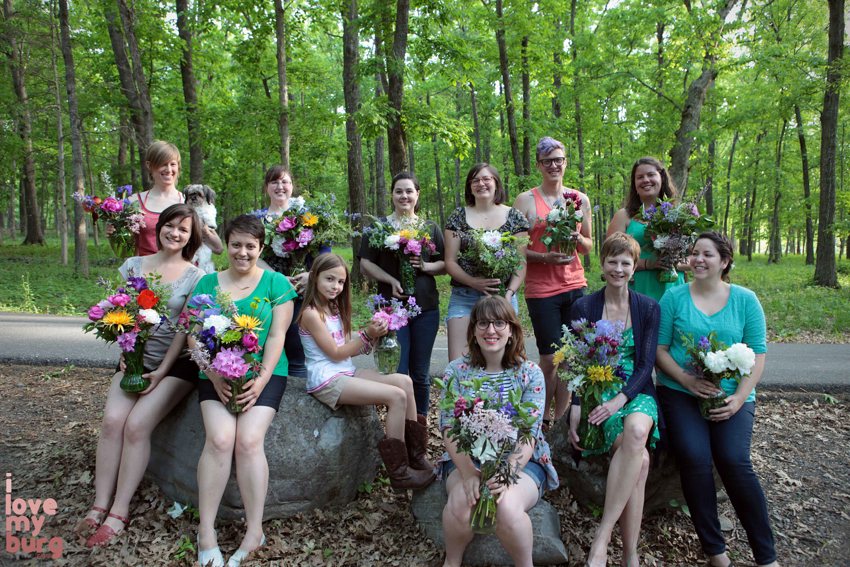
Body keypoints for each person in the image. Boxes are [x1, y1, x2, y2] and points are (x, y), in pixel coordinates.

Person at [76, 204, 205, 547]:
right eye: (170, 225)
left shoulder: (196, 276)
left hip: (174, 366)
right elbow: (120, 312)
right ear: (159, 227)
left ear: (191, 237)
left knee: (135, 426)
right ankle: (98, 505)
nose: (175, 233)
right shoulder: (133, 266)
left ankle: (118, 512)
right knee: (112, 422)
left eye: (183, 229)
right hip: (133, 359)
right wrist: (125, 352)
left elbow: (185, 329)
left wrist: (161, 372)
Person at [655, 231, 778, 567]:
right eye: (694, 253)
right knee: (694, 456)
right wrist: (686, 379)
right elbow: (660, 350)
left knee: (733, 460)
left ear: (724, 262)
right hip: (680, 392)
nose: (698, 259)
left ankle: (766, 556)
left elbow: (758, 355)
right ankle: (715, 551)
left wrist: (739, 399)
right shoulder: (674, 297)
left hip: (732, 395)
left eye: (707, 254)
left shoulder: (746, 300)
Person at [191, 215, 297, 567]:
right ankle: (206, 532)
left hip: (264, 374)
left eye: (250, 246)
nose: (242, 252)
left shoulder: (276, 283)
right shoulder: (208, 283)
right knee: (220, 439)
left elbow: (278, 336)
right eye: (236, 244)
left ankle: (254, 532)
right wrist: (212, 375)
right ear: (226, 245)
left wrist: (261, 381)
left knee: (249, 441)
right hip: (216, 374)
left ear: (261, 248)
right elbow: (193, 335)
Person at [438, 296, 558, 567]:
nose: (491, 330)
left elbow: (529, 432)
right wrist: (468, 473)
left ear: (512, 329)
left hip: (521, 461)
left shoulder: (530, 373)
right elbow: (448, 426)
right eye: (482, 323)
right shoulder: (457, 371)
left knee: (506, 506)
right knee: (461, 502)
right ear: (473, 330)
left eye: (499, 323)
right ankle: (452, 563)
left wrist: (507, 473)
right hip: (467, 457)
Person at [297, 254, 435, 491]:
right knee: (396, 396)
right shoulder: (311, 314)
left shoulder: (334, 308)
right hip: (327, 380)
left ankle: (417, 455)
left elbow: (346, 348)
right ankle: (400, 473)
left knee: (405, 382)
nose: (336, 286)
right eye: (330, 279)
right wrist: (367, 334)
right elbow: (335, 353)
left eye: (341, 282)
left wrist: (372, 340)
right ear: (314, 277)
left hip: (345, 372)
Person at [567, 233, 662, 567]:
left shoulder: (648, 308)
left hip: (636, 391)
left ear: (635, 268)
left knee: (637, 432)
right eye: (612, 262)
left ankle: (602, 537)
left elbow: (646, 365)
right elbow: (577, 361)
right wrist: (576, 405)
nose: (618, 269)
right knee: (641, 462)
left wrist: (621, 399)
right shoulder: (584, 306)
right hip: (599, 391)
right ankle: (629, 555)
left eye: (626, 263)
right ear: (603, 264)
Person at [512, 137, 592, 429]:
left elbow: (588, 246)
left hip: (575, 286)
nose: (553, 165)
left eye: (558, 160)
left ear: (565, 162)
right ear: (539, 165)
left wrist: (577, 238)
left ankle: (560, 420)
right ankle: (541, 417)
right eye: (547, 161)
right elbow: (517, 249)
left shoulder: (580, 199)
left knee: (569, 358)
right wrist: (545, 258)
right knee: (549, 359)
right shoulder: (525, 200)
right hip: (541, 290)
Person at [359, 172, 446, 416]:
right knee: (396, 372)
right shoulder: (379, 227)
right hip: (391, 311)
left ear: (417, 194)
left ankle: (419, 425)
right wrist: (390, 280)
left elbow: (445, 264)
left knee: (420, 373)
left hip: (426, 309)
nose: (404, 196)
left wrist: (426, 266)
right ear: (392, 195)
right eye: (399, 191)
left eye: (409, 191)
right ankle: (399, 425)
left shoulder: (430, 227)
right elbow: (365, 264)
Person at [444, 163, 529, 363]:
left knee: (503, 361)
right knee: (459, 363)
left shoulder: (515, 217)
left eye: (486, 179)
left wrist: (509, 294)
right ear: (469, 187)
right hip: (464, 297)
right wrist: (473, 282)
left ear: (496, 183)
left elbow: (521, 263)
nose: (481, 184)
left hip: (502, 297)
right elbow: (450, 262)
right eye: (475, 180)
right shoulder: (458, 217)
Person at [252, 166, 330, 381]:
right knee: (266, 346)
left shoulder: (308, 216)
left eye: (285, 182)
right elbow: (251, 254)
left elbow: (325, 254)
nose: (280, 186)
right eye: (274, 182)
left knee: (298, 349)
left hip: (302, 291)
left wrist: (311, 275)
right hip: (267, 290)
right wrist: (277, 278)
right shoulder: (257, 219)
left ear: (292, 186)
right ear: (266, 187)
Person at [108, 141, 222, 258]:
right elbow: (125, 250)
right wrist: (113, 231)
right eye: (162, 164)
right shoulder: (133, 202)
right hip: (145, 267)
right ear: (149, 165)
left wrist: (202, 228)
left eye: (173, 164)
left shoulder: (189, 202)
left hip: (180, 267)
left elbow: (218, 248)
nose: (168, 169)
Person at [607, 156, 689, 301]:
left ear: (662, 178)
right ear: (634, 184)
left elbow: (697, 257)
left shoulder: (679, 215)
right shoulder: (624, 216)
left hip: (673, 290)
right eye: (640, 177)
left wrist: (675, 262)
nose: (645, 180)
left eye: (651, 175)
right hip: (638, 289)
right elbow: (610, 258)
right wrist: (647, 263)